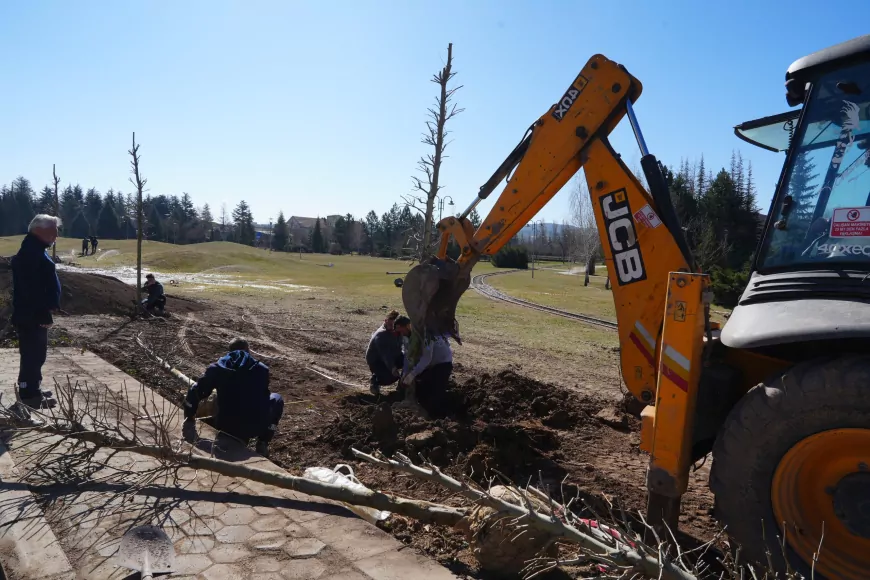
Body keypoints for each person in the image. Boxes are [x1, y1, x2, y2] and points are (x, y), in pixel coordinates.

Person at [183, 338, 284, 456]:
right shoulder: (262, 369)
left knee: (214, 394)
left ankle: (197, 419)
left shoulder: (217, 368)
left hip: (225, 424)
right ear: (248, 350)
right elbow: (263, 396)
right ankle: (263, 442)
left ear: (229, 351)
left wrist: (189, 417)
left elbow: (196, 390)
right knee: (277, 398)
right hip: (255, 427)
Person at [11, 215, 62, 408]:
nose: (56, 236)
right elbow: (30, 288)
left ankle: (34, 387)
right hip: (31, 313)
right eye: (53, 231)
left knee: (37, 354)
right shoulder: (30, 252)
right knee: (32, 354)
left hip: (33, 312)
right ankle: (29, 395)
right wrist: (42, 312)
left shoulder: (36, 249)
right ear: (38, 230)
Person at [402, 332, 454, 415]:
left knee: (434, 394)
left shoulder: (426, 336)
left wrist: (412, 374)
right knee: (422, 386)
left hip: (442, 364)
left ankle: (441, 414)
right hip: (431, 365)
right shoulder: (408, 336)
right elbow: (407, 355)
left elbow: (426, 358)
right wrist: (405, 372)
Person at [365, 311, 411, 396]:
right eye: (390, 324)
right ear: (385, 321)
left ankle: (401, 386)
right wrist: (393, 368)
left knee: (409, 360)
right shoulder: (381, 335)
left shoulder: (398, 332)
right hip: (378, 361)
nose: (392, 327)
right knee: (391, 378)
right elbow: (385, 355)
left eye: (394, 325)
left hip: (394, 355)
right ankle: (375, 380)